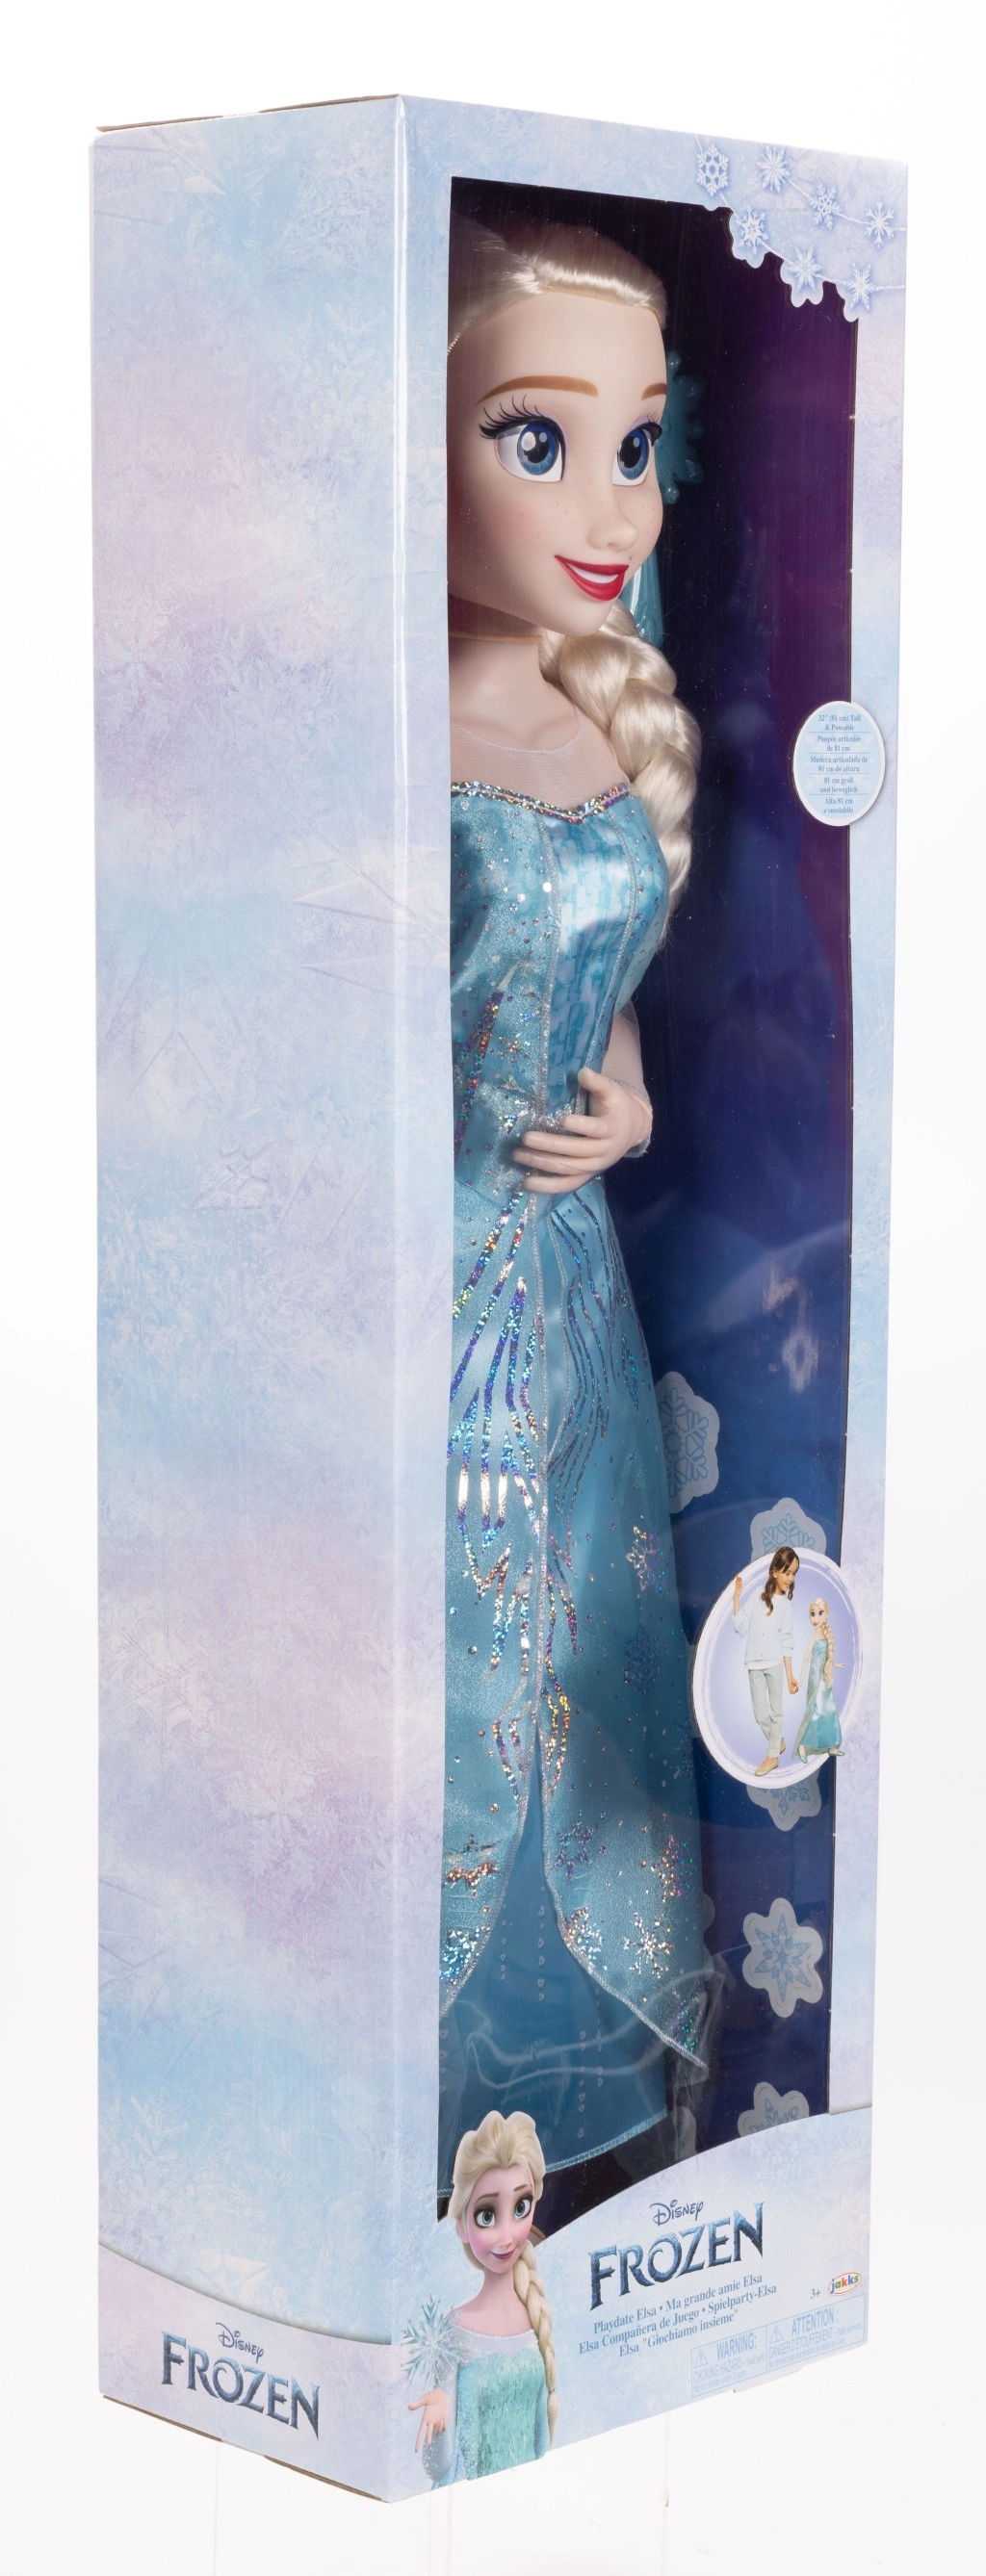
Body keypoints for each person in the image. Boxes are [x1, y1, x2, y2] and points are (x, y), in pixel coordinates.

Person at [439, 209, 710, 2208]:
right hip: (415, 1295)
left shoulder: (611, 705)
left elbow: (607, 992)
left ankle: (582, 2139)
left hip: (573, 1305)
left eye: (637, 442)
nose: (608, 503)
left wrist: (627, 1105)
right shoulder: (365, 727)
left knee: (587, 1655)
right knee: (441, 1668)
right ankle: (412, 2092)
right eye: (535, 439)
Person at [410, 2108, 558, 2484]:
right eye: (487, 2215)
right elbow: (437, 2468)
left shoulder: (535, 2316)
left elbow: (542, 2442)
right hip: (472, 2500)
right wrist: (439, 2419)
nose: (507, 2236)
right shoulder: (454, 2330)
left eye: (521, 2207)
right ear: (461, 2225)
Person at [732, 1547, 800, 1776]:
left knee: (776, 1711)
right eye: (787, 1572)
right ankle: (776, 1741)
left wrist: (790, 1676)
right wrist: (736, 1599)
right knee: (761, 1714)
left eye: (794, 1574)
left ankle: (772, 1757)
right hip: (754, 1663)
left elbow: (787, 1641)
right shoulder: (757, 1595)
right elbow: (740, 1628)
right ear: (775, 1571)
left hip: (775, 1663)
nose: (790, 1578)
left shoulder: (786, 1606)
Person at [794, 1598, 843, 1759]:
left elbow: (828, 1656)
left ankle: (832, 1745)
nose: (815, 1618)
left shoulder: (826, 1635)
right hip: (815, 1678)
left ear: (826, 1614)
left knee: (829, 1710)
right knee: (816, 1711)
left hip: (824, 1678)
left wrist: (835, 1664)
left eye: (819, 1613)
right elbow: (806, 1659)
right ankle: (802, 1745)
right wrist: (801, 1680)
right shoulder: (814, 1637)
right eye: (812, 1614)